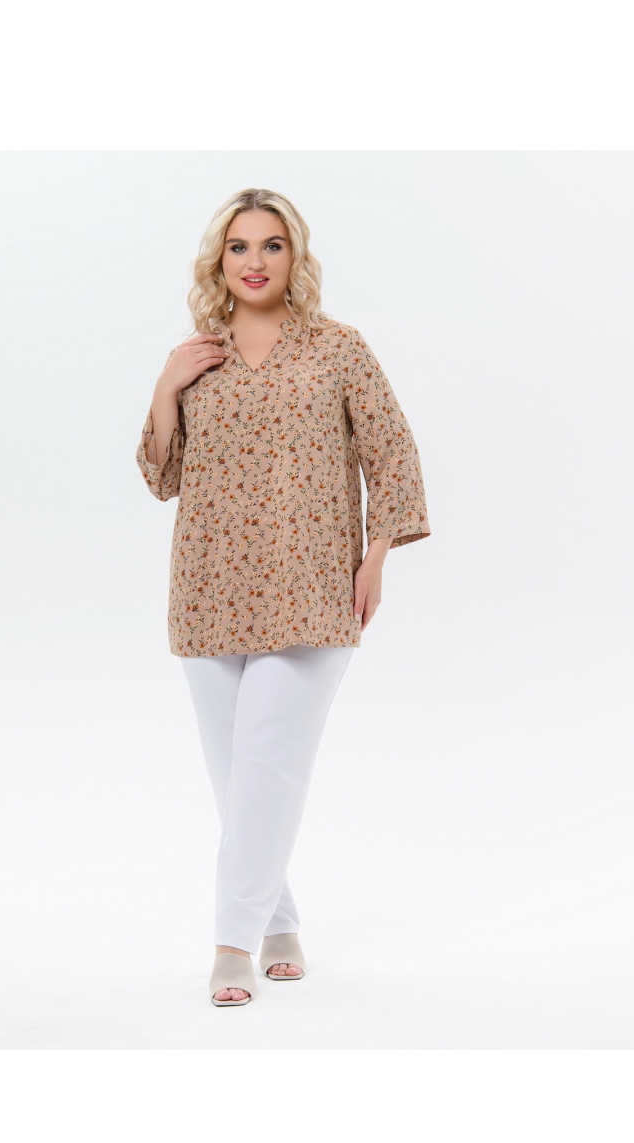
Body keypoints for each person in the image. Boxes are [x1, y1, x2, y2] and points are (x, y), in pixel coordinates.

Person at [135, 187, 431, 1006]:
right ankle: (280, 925)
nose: (255, 261)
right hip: (209, 589)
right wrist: (166, 384)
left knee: (267, 759)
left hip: (311, 589)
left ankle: (232, 942)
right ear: (219, 260)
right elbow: (161, 476)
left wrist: (376, 557)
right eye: (239, 246)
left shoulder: (337, 348)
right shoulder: (198, 356)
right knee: (240, 779)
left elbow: (393, 452)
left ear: (294, 255)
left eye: (272, 245)